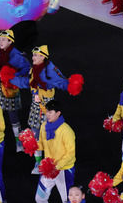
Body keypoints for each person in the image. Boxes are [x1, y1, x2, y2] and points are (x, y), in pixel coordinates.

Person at [13, 45, 80, 173]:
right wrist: (12, 79)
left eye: (35, 55)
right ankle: (38, 163)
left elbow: (61, 81)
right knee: (35, 133)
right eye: (33, 55)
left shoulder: (50, 70)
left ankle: (53, 162)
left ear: (43, 57)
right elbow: (27, 82)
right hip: (35, 107)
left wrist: (71, 85)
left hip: (48, 108)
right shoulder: (33, 70)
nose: (33, 57)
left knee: (49, 135)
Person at [35, 100, 76, 203]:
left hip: (63, 171)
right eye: (47, 112)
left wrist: (56, 166)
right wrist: (31, 144)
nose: (47, 114)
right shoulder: (44, 126)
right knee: (40, 198)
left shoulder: (67, 131)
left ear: (58, 113)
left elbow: (70, 155)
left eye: (50, 112)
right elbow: (41, 145)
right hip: (48, 170)